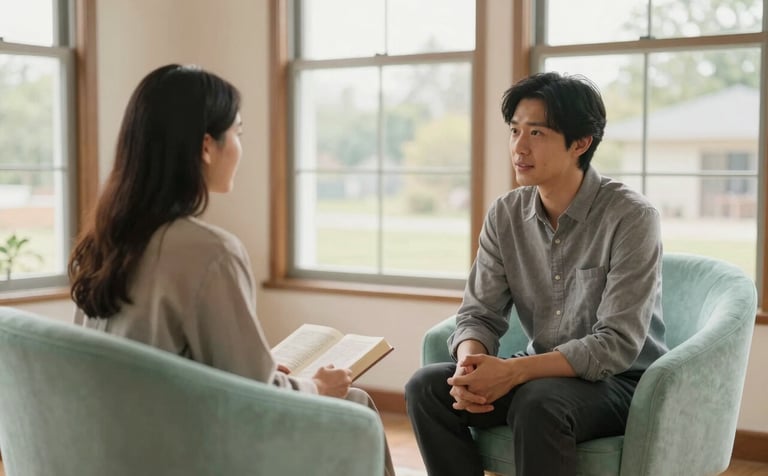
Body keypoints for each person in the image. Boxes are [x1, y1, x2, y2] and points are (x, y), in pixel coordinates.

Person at [68, 64, 394, 476]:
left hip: (119, 440)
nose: (240, 146)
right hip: (192, 451)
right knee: (356, 406)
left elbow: (159, 360)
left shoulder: (101, 242)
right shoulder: (210, 252)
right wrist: (317, 387)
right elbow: (257, 399)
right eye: (238, 133)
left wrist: (256, 370)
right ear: (207, 146)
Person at [405, 72, 668, 476]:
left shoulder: (631, 217)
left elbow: (616, 344)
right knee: (427, 388)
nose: (519, 147)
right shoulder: (505, 215)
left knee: (539, 402)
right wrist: (470, 366)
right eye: (514, 131)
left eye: (537, 133)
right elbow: (479, 313)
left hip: (620, 383)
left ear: (580, 143)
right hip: (538, 374)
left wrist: (512, 372)